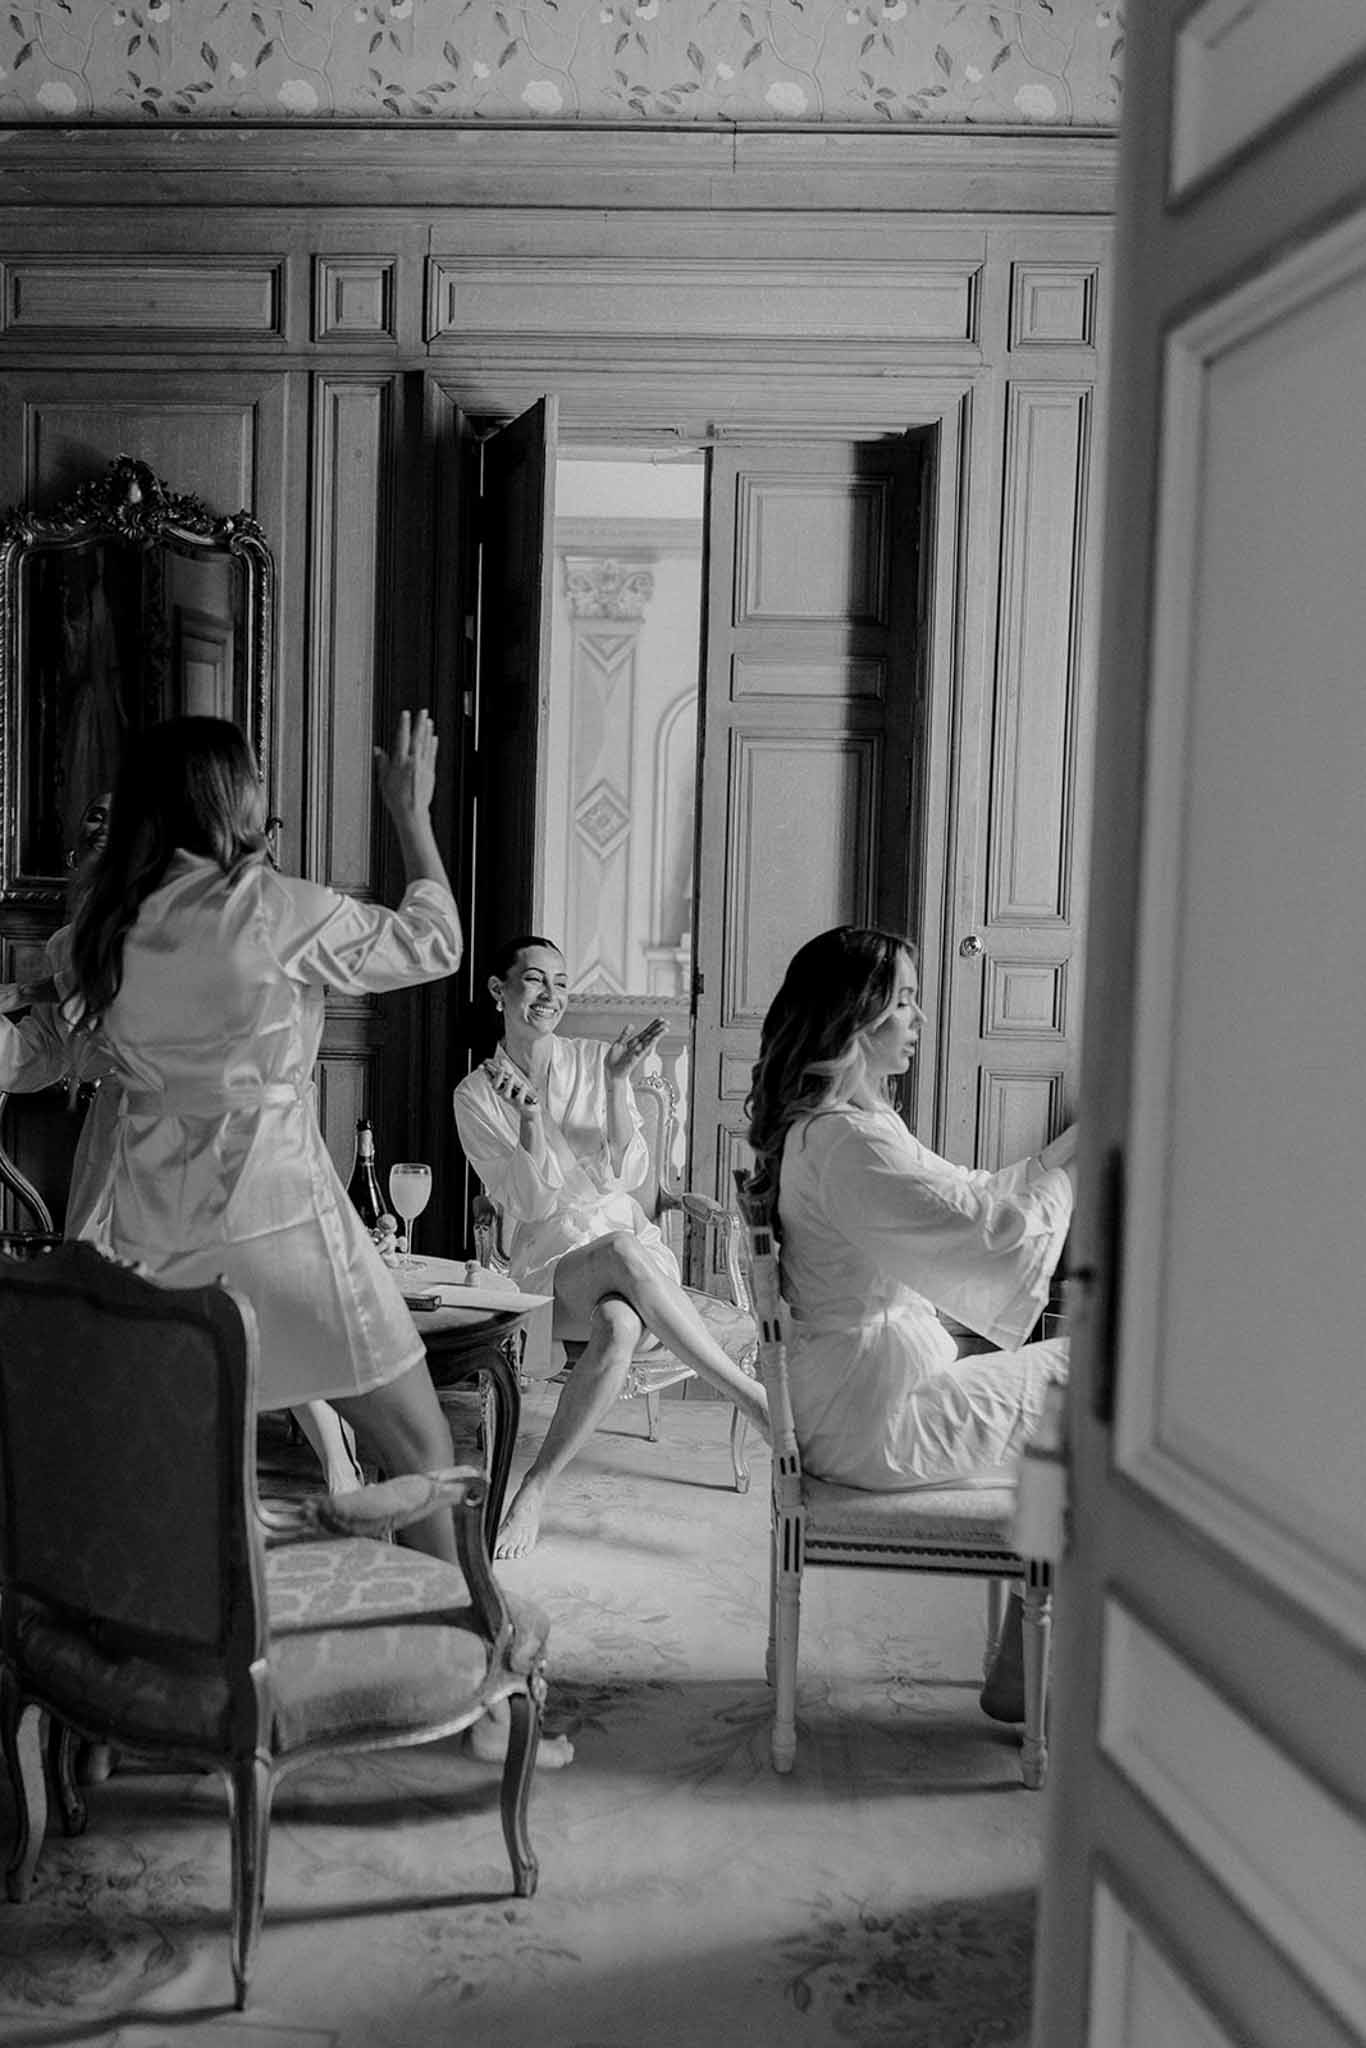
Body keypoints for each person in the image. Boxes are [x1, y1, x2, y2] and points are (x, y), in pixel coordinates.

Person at [745, 925, 1076, 1720]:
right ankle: (1030, 1663)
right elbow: (990, 1235)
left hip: (859, 1391)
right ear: (857, 1020)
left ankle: (1024, 1656)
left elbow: (968, 1194)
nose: (920, 1018)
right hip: (871, 1418)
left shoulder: (852, 1125)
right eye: (906, 1001)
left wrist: (1065, 1151)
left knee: (1066, 1393)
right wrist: (1074, 1174)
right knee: (1082, 1377)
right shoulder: (848, 1142)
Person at [0, 793, 363, 1496]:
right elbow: (51, 1051)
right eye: (90, 823)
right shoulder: (72, 942)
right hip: (122, 1146)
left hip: (221, 1136)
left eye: (119, 815)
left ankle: (334, 1456)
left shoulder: (201, 927)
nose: (101, 826)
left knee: (248, 1304)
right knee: (117, 1316)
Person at [453, 936, 768, 1560]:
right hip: (550, 1263)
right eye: (536, 980)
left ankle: (534, 1489)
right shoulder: (475, 1095)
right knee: (622, 1249)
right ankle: (744, 1391)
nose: (551, 995)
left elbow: (629, 1174)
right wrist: (529, 1121)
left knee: (620, 1325)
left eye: (562, 983)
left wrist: (620, 1083)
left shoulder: (598, 1059)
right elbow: (536, 1208)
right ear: (499, 990)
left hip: (633, 1251)